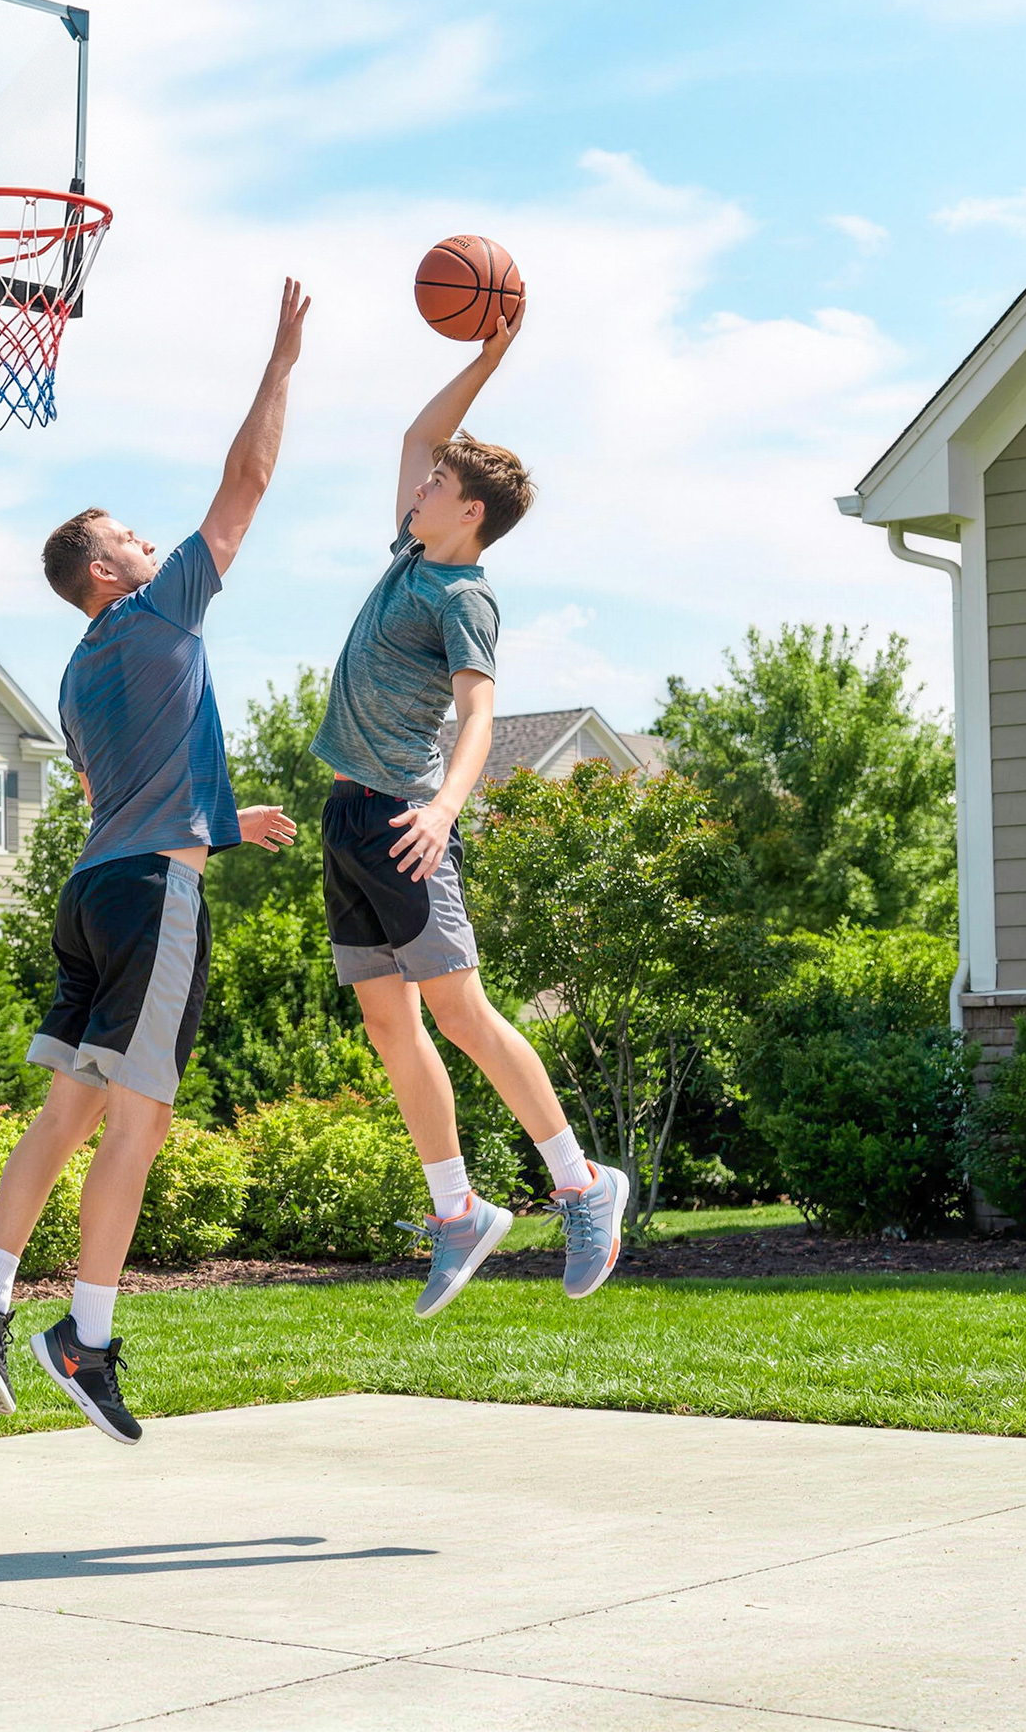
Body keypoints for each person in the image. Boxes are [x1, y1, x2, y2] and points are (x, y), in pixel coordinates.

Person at [0, 277, 311, 1445]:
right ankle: (81, 1336)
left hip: (94, 888)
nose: (152, 542)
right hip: (153, 892)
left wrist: (217, 812)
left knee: (65, 1108)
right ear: (106, 571)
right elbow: (244, 487)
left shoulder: (76, 669)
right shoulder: (160, 615)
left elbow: (109, 790)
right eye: (131, 538)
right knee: (136, 1124)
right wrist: (282, 361)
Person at [310, 304, 628, 1316]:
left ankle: (581, 1184)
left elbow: (478, 710)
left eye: (438, 488)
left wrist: (446, 804)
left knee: (459, 1012)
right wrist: (488, 355)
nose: (417, 487)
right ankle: (457, 1210)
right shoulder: (409, 554)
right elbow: (418, 436)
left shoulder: (463, 597)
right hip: (347, 818)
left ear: (470, 515)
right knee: (388, 1023)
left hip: (405, 817)